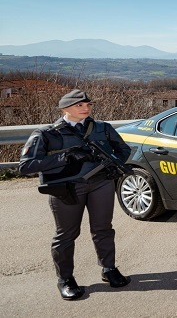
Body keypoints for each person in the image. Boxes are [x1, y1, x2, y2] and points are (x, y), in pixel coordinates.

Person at [19, 89, 132, 300]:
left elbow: (123, 150)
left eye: (88, 105)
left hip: (101, 184)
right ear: (64, 109)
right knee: (66, 234)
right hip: (67, 187)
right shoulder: (47, 134)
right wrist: (65, 157)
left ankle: (109, 269)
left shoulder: (102, 128)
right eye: (79, 105)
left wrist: (111, 166)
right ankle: (65, 279)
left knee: (103, 229)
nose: (86, 108)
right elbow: (26, 166)